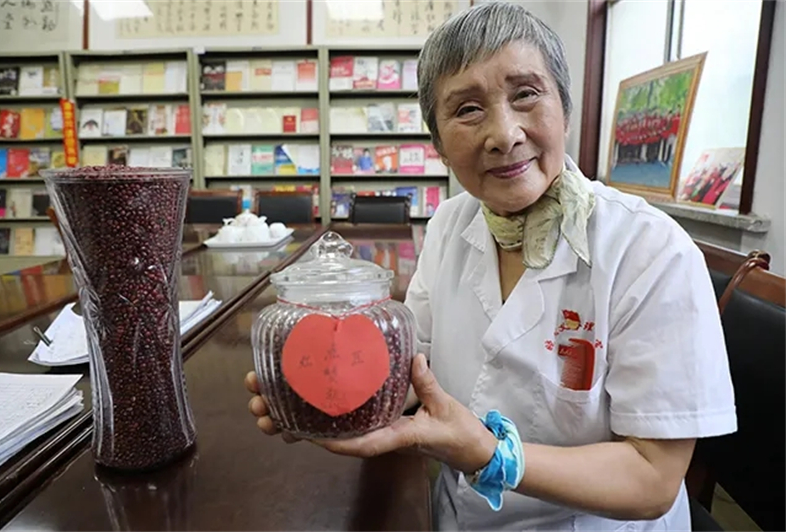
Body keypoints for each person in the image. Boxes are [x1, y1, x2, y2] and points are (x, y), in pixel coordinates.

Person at [245, 3, 737, 530]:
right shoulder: (449, 224)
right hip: (455, 515)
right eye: (467, 109)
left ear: (565, 110)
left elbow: (653, 479)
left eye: (526, 94)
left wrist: (491, 455)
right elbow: (413, 367)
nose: (504, 134)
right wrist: (328, 397)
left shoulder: (651, 250)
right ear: (438, 144)